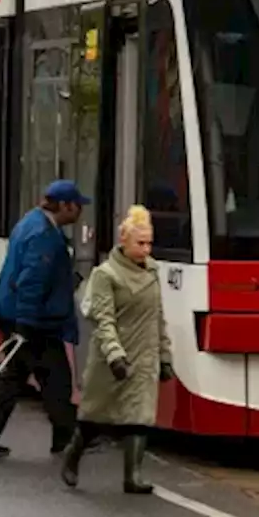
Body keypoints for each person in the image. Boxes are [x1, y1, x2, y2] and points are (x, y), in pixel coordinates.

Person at [0, 179, 90, 459]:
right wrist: (25, 323)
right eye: (77, 205)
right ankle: (66, 436)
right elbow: (31, 282)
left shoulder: (31, 222)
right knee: (56, 376)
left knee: (14, 376)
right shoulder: (44, 235)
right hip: (33, 319)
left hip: (19, 313)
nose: (80, 211)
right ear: (64, 205)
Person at [61, 205, 173, 495]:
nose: (146, 249)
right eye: (141, 243)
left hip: (143, 356)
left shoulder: (153, 272)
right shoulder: (105, 275)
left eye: (149, 243)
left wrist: (164, 357)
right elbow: (104, 319)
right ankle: (73, 454)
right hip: (111, 359)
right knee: (95, 417)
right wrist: (114, 355)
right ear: (124, 241)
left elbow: (157, 318)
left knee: (140, 416)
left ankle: (132, 476)